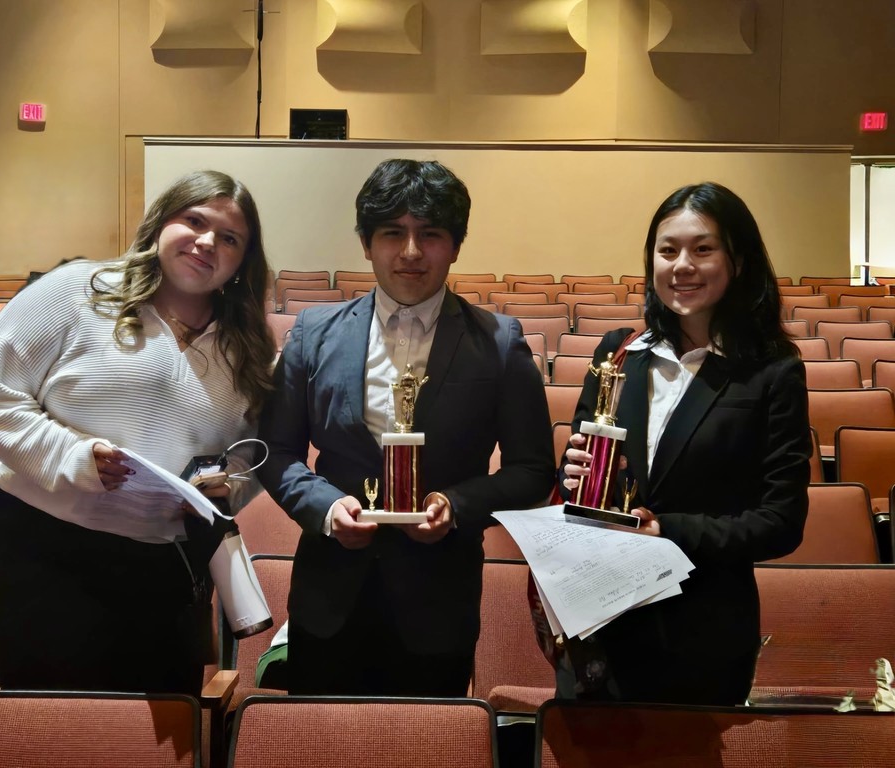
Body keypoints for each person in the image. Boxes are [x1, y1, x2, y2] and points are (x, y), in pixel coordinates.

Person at [0, 169, 276, 696]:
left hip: (168, 566)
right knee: (57, 723)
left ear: (244, 260)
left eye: (229, 238)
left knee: (158, 731)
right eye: (193, 221)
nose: (206, 243)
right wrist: (74, 457)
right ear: (159, 224)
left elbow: (257, 450)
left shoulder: (247, 343)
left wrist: (230, 487)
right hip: (45, 550)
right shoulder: (77, 290)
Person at [257, 158, 555, 696]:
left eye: (430, 234)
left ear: (456, 245)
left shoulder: (501, 343)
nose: (412, 252)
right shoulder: (313, 333)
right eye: (393, 233)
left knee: (430, 746)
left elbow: (533, 470)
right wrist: (323, 506)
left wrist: (457, 506)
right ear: (368, 243)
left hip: (438, 601)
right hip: (329, 596)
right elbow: (276, 452)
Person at [558, 181, 811, 705]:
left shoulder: (772, 372)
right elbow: (579, 478)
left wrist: (666, 530)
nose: (681, 265)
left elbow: (780, 523)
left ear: (737, 260)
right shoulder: (619, 353)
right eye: (667, 250)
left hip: (701, 632)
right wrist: (575, 472)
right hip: (600, 624)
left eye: (703, 249)